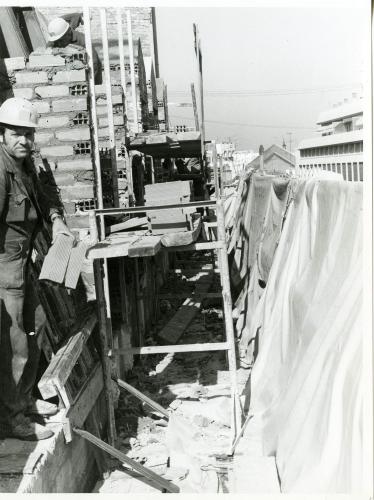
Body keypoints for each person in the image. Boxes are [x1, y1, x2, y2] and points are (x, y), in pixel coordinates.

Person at [0, 97, 74, 441]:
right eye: (16, 133)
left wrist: (57, 221)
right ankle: (14, 417)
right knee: (14, 342)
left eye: (28, 134)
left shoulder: (24, 165)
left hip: (23, 263)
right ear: (2, 134)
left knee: (35, 328)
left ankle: (26, 399)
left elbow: (42, 198)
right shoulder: (0, 170)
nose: (23, 141)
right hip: (4, 269)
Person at [47, 15, 102, 84]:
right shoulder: (54, 40)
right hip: (65, 78)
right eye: (57, 40)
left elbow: (94, 62)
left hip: (91, 76)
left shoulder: (83, 40)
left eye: (61, 40)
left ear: (68, 33)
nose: (59, 43)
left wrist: (88, 83)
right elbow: (47, 56)